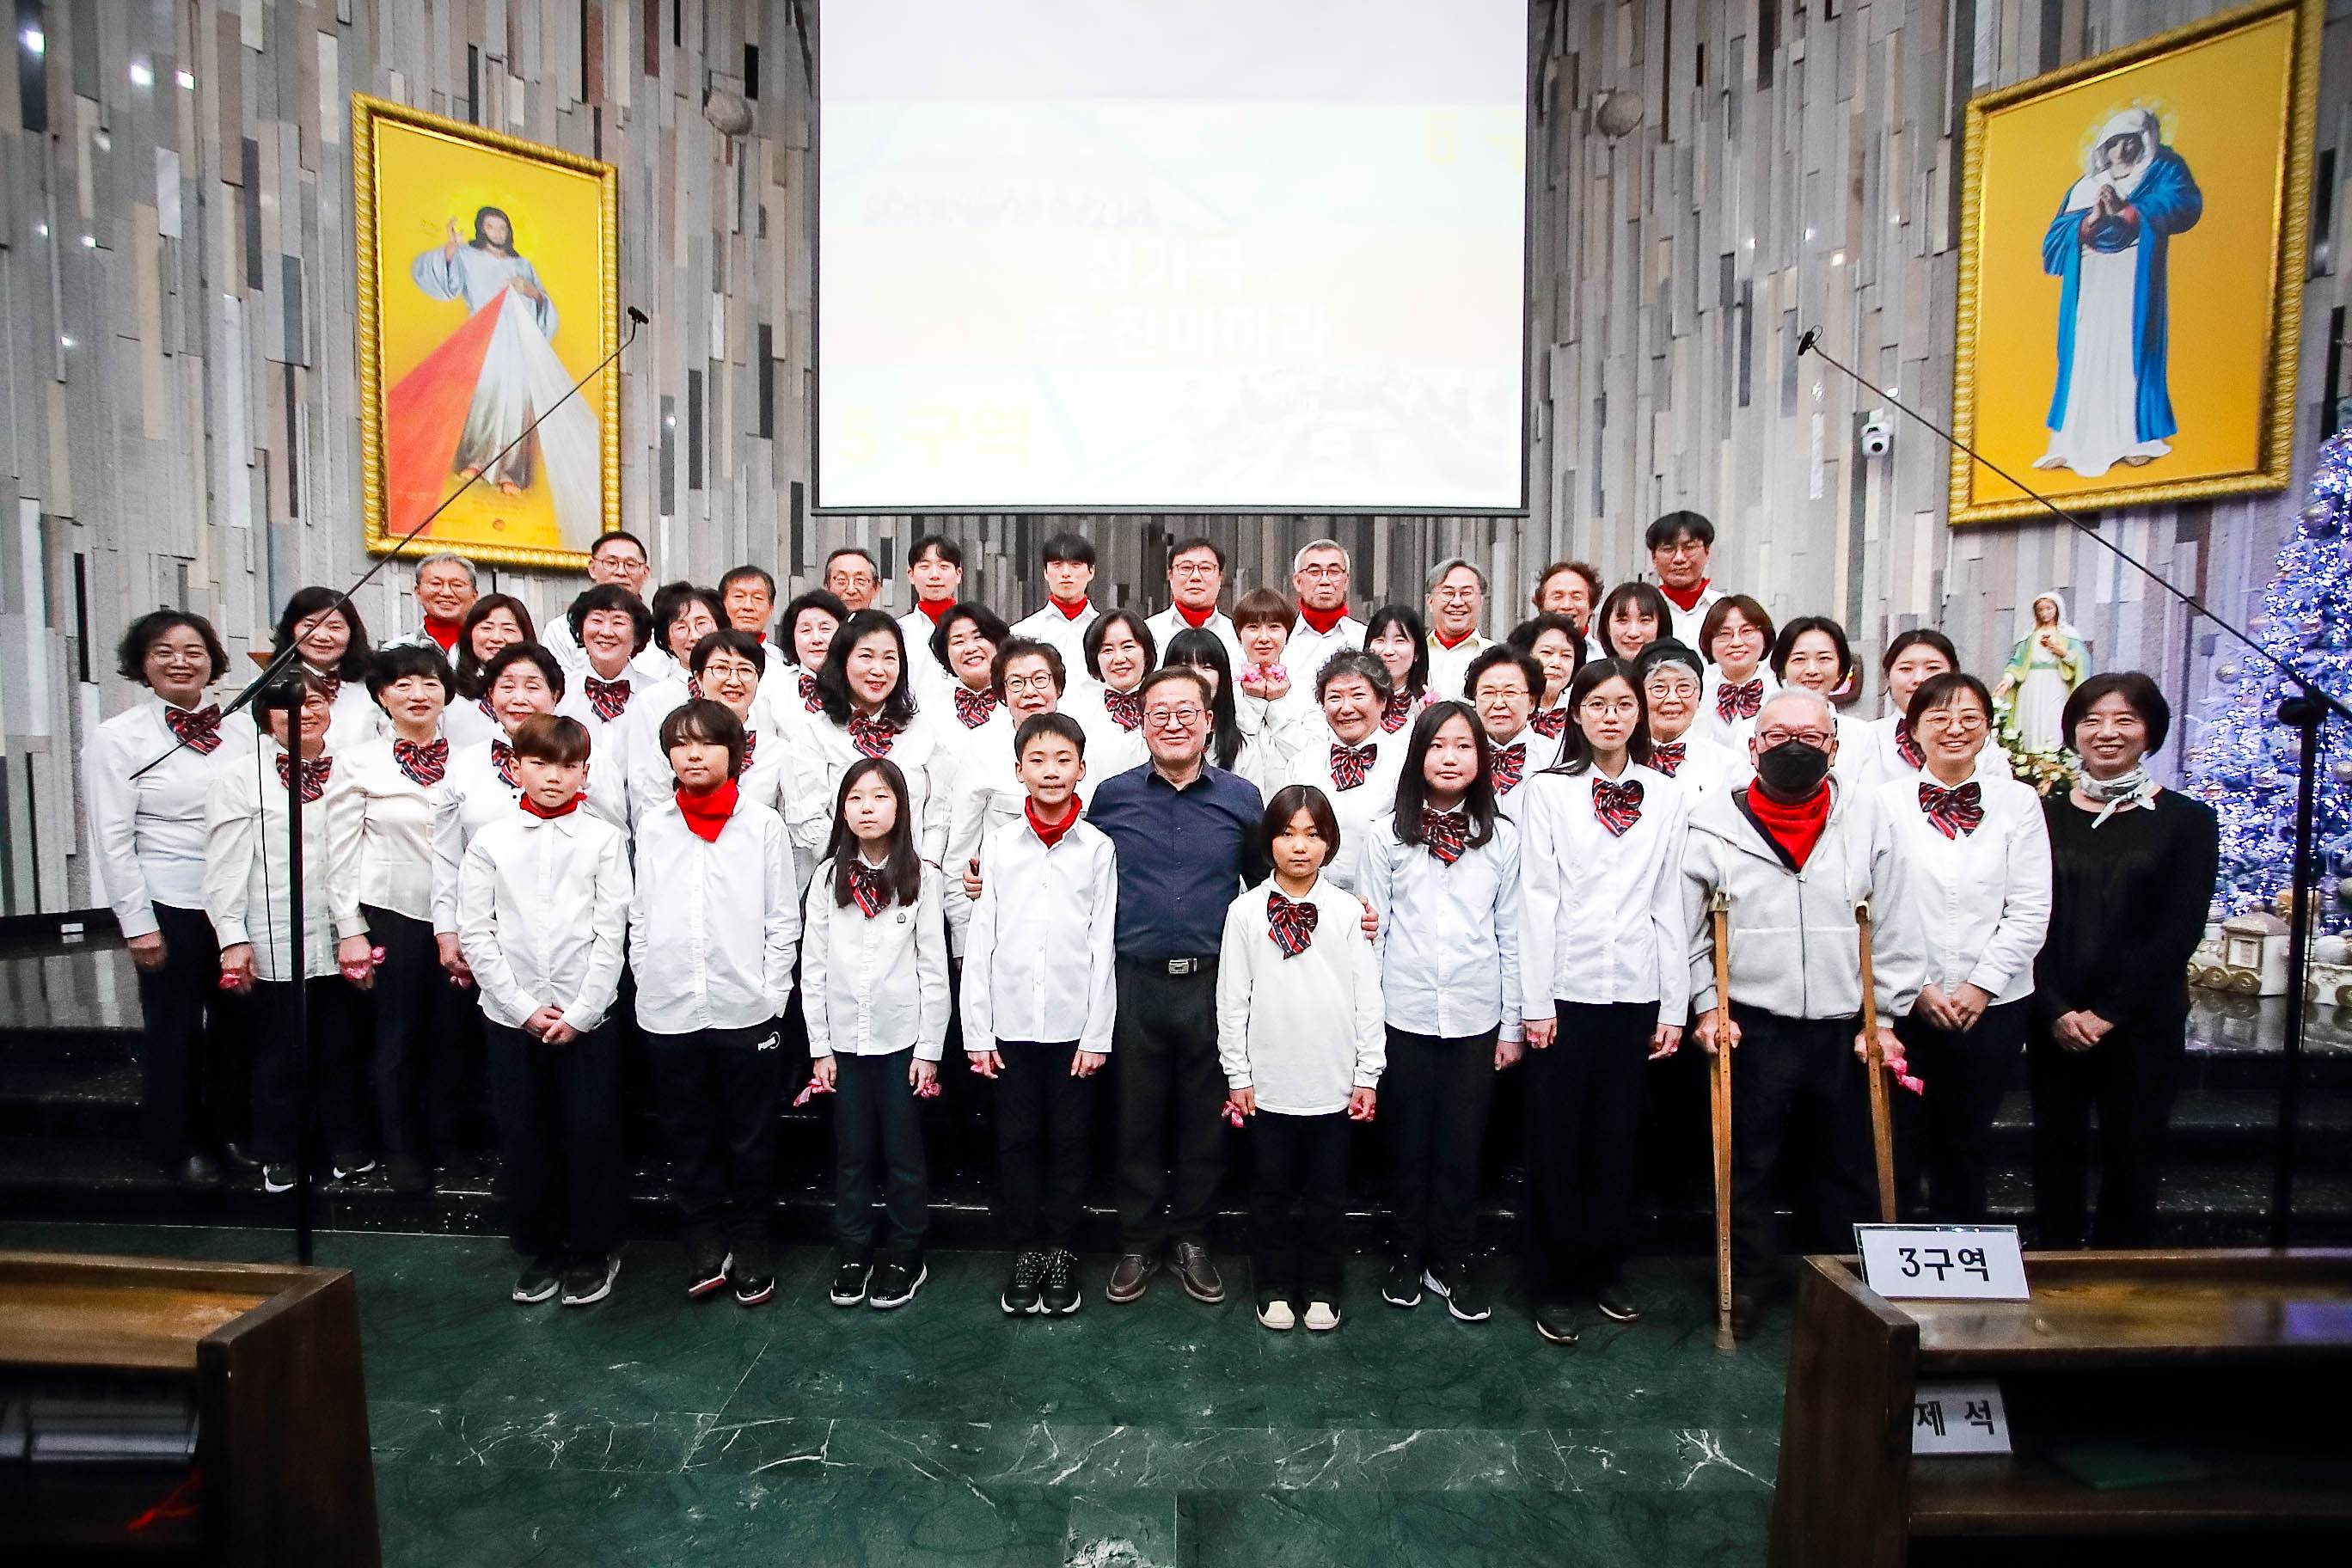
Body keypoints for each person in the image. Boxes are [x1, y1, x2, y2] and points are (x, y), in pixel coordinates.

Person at [1681, 686, 1921, 1336]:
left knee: (1848, 1163)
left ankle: (1846, 1284)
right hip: (1752, 1020)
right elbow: (1691, 930)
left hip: (1846, 1022)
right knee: (1747, 1163)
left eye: (1810, 737)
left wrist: (1885, 1017)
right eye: (1778, 735)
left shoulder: (1869, 818)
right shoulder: (1710, 822)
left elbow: (1897, 920)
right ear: (1753, 745)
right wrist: (1706, 1004)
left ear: (1833, 748)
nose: (1794, 747)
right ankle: (1747, 1282)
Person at [1519, 660, 1693, 1342]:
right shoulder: (1548, 791)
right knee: (1556, 1140)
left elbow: (1670, 901)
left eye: (1623, 704)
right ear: (1577, 714)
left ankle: (1604, 1268)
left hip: (1636, 989)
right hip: (1565, 989)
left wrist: (1673, 1006)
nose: (1611, 716)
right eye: (1597, 704)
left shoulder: (1667, 794)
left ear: (1639, 714)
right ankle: (1553, 1281)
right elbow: (1537, 898)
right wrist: (1536, 1000)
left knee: (1617, 1141)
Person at [1088, 666, 1269, 1306]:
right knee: (1134, 1118)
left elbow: (1265, 888)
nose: (1173, 724)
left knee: (1204, 1121)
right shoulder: (1110, 798)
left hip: (1212, 983)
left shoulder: (1241, 799)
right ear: (1141, 724)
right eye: (1159, 713)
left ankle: (1193, 1238)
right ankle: (1138, 1242)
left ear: (1208, 722)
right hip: (1132, 983)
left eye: (1186, 712)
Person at [2030, 672, 2216, 1248]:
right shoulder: (2040, 814)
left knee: (2133, 1158)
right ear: (2073, 732)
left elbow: (2179, 929)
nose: (2106, 732)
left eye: (2124, 720)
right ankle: (2056, 1275)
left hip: (2142, 1020)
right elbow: (2025, 916)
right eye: (2092, 720)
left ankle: (2121, 1281)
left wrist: (2110, 1012)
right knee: (2054, 1156)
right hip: (2054, 1017)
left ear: (2150, 732)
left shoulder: (2186, 820)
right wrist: (2057, 1008)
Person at [456, 713, 632, 1308]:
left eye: (567, 765)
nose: (553, 777)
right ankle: (542, 1248)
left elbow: (612, 932)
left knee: (591, 1133)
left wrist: (582, 1011)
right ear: (515, 767)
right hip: (512, 1017)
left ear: (585, 773)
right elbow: (477, 932)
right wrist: (523, 1008)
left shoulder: (604, 840)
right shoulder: (490, 841)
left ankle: (594, 1249)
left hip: (589, 1016)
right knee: (526, 1135)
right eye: (539, 763)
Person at [632, 699, 801, 1306]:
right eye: (681, 744)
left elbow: (782, 918)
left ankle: (752, 1238)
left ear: (736, 754)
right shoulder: (654, 825)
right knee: (686, 1130)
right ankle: (702, 1237)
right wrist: (647, 973)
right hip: (670, 1005)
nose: (693, 754)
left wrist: (772, 995)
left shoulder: (762, 826)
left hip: (744, 1008)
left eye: (706, 743)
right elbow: (641, 914)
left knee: (751, 1134)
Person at [85, 609, 256, 1186]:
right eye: (164, 651)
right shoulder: (118, 737)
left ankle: (228, 1131)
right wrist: (137, 923)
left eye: (193, 651)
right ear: (142, 663)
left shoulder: (241, 729)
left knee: (236, 1026)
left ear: (213, 661)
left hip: (236, 903)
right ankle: (175, 1141)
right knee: (175, 1027)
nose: (180, 662)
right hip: (167, 900)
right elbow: (112, 836)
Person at [1362, 702, 1519, 1324]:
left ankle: (1454, 1257)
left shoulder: (1502, 837)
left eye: (1463, 746)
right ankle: (1405, 1252)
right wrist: (1369, 1026)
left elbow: (1511, 931)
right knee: (1406, 1142)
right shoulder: (1386, 836)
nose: (1449, 758)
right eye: (1437, 746)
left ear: (1481, 758)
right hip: (1403, 1012)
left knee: (1462, 1144)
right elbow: (1374, 934)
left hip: (1477, 1015)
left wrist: (1512, 1025)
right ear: (1418, 756)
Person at [1877, 673, 2051, 1224]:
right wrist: (1918, 986)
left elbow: (2030, 907)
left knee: (1966, 1141)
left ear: (1987, 728)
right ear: (1913, 730)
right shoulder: (1883, 803)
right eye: (1939, 718)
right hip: (1906, 1003)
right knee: (1902, 1140)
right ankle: (1898, 1256)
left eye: (1969, 718)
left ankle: (1964, 1252)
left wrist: (1982, 985)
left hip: (1996, 1004)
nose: (1955, 729)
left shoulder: (2019, 803)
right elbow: (1875, 906)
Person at [964, 713, 1118, 1316]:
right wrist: (978, 1031)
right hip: (1010, 1027)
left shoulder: (1098, 848)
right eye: (1037, 760)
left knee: (1072, 1142)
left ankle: (1062, 1249)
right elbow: (982, 939)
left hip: (1073, 1028)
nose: (1050, 771)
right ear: (1018, 770)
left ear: (1082, 769)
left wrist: (1097, 1033)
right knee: (1018, 1141)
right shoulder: (1000, 845)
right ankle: (1027, 1247)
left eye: (1063, 760)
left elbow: (1102, 943)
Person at [1218, 784, 1383, 1333]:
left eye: (1313, 835)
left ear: (1330, 842)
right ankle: (1271, 1283)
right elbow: (1232, 998)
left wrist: (1367, 1073)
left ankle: (1322, 1285)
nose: (1299, 846)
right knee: (1269, 1192)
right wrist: (1238, 1073)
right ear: (1269, 841)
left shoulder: (1347, 912)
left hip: (1333, 1080)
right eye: (1287, 834)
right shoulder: (1245, 912)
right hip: (1268, 1080)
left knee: (1326, 1195)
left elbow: (1367, 996)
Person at [203, 674, 374, 1195]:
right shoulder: (240, 776)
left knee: (342, 1044)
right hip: (274, 926)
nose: (304, 714)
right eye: (287, 708)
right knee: (279, 1048)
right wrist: (232, 937)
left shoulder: (354, 767)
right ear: (265, 718)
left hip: (343, 927)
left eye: (314, 702)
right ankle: (278, 1149)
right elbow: (225, 864)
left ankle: (347, 1142)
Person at [805, 757, 951, 1311]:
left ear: (901, 807)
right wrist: (819, 1047)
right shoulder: (827, 879)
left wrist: (929, 1050)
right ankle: (853, 1249)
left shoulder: (923, 877)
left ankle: (907, 1250)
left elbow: (933, 969)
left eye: (880, 797)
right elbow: (813, 967)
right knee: (852, 1154)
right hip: (844, 1043)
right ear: (843, 810)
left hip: (901, 1042)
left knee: (903, 1154)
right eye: (856, 798)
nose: (868, 808)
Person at [349, 642, 468, 1194]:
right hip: (391, 911)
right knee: (397, 1035)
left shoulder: (473, 758)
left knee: (451, 1033)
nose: (418, 694)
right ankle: (401, 1148)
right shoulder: (358, 762)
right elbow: (340, 853)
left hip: (460, 914)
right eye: (403, 684)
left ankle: (446, 1137)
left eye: (429, 682)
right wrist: (350, 927)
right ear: (381, 695)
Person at [432, 644, 619, 994]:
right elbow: (447, 855)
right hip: (483, 938)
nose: (519, 698)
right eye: (507, 686)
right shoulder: (465, 764)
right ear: (490, 694)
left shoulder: (592, 762)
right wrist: (447, 929)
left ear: (556, 695)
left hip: (573, 949)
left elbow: (614, 842)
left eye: (532, 687)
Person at [2037, 108, 2202, 479]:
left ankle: (2135, 439)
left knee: (2129, 350)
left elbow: (2185, 205)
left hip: (2131, 277)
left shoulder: (2160, 172)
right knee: (2085, 356)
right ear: (2103, 148)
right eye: (2114, 142)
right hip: (2091, 281)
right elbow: (2053, 243)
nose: (2123, 149)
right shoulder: (2085, 187)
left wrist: (2128, 212)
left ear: (2145, 141)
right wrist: (2090, 220)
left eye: (2131, 141)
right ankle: (2069, 442)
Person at [787, 610, 950, 871]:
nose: (878, 670)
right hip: (841, 878)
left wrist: (925, 869)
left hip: (914, 880)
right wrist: (858, 868)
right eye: (866, 656)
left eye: (889, 658)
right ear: (843, 661)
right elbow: (807, 817)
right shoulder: (814, 733)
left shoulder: (923, 732)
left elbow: (939, 815)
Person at [943, 640, 1069, 953]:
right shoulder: (980, 748)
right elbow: (961, 850)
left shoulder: (1082, 743)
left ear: (1057, 687)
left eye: (1040, 680)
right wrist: (963, 938)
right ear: (1002, 693)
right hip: (1000, 921)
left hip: (1069, 916)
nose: (1030, 692)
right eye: (1016, 683)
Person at [623, 630, 792, 825]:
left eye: (745, 670)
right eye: (721, 668)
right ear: (699, 677)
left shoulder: (777, 751)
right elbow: (653, 813)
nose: (734, 681)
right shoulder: (676, 744)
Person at [1272, 651, 1405, 889]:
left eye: (1358, 695)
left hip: (1383, 899)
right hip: (1312, 901)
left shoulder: (1405, 765)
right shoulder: (1301, 765)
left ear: (1382, 701)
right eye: (1335, 697)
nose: (1346, 708)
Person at [1853, 629, 2008, 793]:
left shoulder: (1979, 744)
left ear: (1954, 674)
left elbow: (2003, 800)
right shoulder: (1866, 738)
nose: (1919, 679)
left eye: (1933, 668)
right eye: (1906, 669)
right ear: (1887, 677)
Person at [1161, 628, 1281, 786]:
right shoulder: (1146, 741)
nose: (1196, 675)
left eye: (1207, 667)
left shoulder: (1244, 750)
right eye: (1185, 667)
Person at [273, 587, 383, 750]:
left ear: (352, 632)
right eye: (310, 626)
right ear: (291, 630)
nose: (322, 637)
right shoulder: (267, 688)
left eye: (335, 627)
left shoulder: (375, 687)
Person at [1635, 640, 1740, 795]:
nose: (1672, 699)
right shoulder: (1619, 761)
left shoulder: (1728, 764)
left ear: (1699, 696)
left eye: (1684, 687)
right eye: (1659, 688)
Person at [1063, 609, 1156, 781]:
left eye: (1128, 647)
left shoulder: (1165, 705)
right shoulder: (1077, 712)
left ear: (1146, 652)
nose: (1119, 659)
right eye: (1107, 650)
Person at [556, 585, 656, 745]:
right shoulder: (560, 692)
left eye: (618, 622)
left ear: (637, 635)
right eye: (597, 620)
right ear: (581, 629)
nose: (606, 632)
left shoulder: (654, 695)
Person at [543, 532, 654, 671]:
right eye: (611, 563)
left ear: (645, 573)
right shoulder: (559, 630)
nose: (621, 572)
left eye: (631, 565)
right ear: (592, 568)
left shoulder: (663, 629)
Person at [1994, 592, 2089, 755]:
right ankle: (2028, 759)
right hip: (2031, 683)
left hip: (2056, 683)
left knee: (2053, 719)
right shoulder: (2030, 636)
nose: (2044, 613)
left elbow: (2082, 661)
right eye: (2040, 610)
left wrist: (2062, 652)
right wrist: (2008, 679)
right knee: (2030, 719)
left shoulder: (2068, 635)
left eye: (2049, 609)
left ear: (2057, 609)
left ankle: (2055, 757)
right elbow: (2017, 662)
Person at [1231, 588, 1318, 763]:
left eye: (1274, 627)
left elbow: (1311, 756)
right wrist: (1253, 700)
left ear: (1288, 634)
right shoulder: (1226, 690)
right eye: (1253, 627)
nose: (1264, 638)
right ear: (1239, 635)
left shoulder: (1308, 690)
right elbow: (1228, 751)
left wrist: (1277, 703)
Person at [444, 593, 538, 749]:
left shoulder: (542, 687)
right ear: (470, 634)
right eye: (486, 628)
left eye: (508, 629)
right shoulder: (447, 686)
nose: (496, 638)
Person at [1464, 646, 1559, 798]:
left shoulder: (1557, 758)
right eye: (1488, 693)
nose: (1498, 704)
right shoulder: (1463, 756)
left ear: (1532, 702)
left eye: (1510, 692)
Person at [1771, 615, 1859, 776]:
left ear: (1841, 669)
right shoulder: (1752, 730)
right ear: (1783, 667)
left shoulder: (1861, 734)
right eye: (1799, 659)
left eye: (1824, 658)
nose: (1812, 670)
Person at [1694, 596, 1778, 751]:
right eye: (1724, 634)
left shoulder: (1782, 692)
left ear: (1765, 637)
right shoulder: (1698, 697)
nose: (1736, 643)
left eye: (1747, 631)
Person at [1145, 537, 1244, 667]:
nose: (1195, 577)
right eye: (1186, 568)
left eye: (1205, 568)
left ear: (1220, 577)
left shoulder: (1238, 635)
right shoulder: (1148, 633)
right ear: (1170, 576)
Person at [1009, 532, 1100, 671]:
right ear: (1046, 572)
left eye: (1075, 565)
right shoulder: (1022, 633)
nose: (1066, 573)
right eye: (1057, 565)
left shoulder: (1106, 631)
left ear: (1091, 572)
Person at [1285, 538, 1365, 680]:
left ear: (1346, 581)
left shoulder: (1365, 639)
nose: (1325, 581)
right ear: (1297, 581)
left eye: (1334, 572)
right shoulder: (1281, 641)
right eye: (1314, 572)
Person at [929, 602, 1014, 732]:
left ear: (998, 643)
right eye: (958, 641)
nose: (970, 649)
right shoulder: (930, 711)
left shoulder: (1022, 699)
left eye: (978, 637)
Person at [1647, 511, 1723, 647]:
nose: (1679, 559)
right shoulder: (1643, 611)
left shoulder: (1727, 609)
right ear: (1654, 556)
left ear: (1707, 551)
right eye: (1668, 549)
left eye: (1689, 548)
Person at [1504, 612, 1582, 736]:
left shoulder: (1581, 714)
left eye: (1566, 655)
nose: (1556, 663)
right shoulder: (1501, 708)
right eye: (1547, 652)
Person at [1424, 559, 1491, 699]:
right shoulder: (1412, 655)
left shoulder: (1496, 657)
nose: (1457, 602)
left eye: (1466, 593)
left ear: (1481, 602)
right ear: (1430, 602)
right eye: (1448, 593)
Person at [776, 588, 848, 717]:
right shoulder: (775, 688)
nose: (816, 639)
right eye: (806, 630)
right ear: (792, 638)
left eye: (825, 629)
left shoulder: (858, 685)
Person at [388, 553, 479, 656]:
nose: (446, 593)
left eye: (457, 585)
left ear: (474, 596)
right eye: (436, 584)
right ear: (418, 593)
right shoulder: (393, 652)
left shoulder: (487, 650)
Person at [898, 534, 965, 662]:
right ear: (911, 575)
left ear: (958, 574)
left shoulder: (976, 628)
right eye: (924, 567)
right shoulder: (900, 630)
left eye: (944, 566)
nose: (935, 575)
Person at [1363, 606, 1431, 732]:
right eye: (1380, 640)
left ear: (1417, 652)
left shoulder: (1429, 706)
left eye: (1400, 641)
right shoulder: (1352, 702)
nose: (1388, 651)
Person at [1531, 560, 1605, 661]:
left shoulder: (1604, 656)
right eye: (1557, 597)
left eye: (1576, 597)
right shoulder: (1520, 653)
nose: (1567, 605)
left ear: (1591, 608)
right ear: (1541, 606)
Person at [1596, 582, 1670, 665]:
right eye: (1622, 621)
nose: (1633, 633)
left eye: (1645, 620)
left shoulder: (1678, 671)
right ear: (1607, 626)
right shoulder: (1591, 672)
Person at [718, 566, 778, 662]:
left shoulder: (784, 663)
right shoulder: (705, 656)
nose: (748, 606)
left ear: (771, 608)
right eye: (739, 596)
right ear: (722, 604)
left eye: (758, 598)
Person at [824, 547, 882, 613]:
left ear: (875, 588)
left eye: (860, 580)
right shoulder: (815, 619)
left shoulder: (885, 620)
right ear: (827, 587)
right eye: (841, 580)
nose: (851, 590)